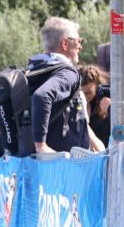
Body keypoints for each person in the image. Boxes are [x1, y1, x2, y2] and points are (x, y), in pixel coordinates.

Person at [30, 18, 92, 154]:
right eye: (78, 41)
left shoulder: (36, 69)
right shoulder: (67, 72)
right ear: (65, 43)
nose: (80, 46)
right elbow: (42, 95)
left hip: (38, 163)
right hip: (63, 166)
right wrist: (41, 145)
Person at [78, 64, 111, 148]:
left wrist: (109, 109)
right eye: (81, 93)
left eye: (88, 93)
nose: (84, 97)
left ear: (97, 86)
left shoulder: (106, 101)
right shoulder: (78, 103)